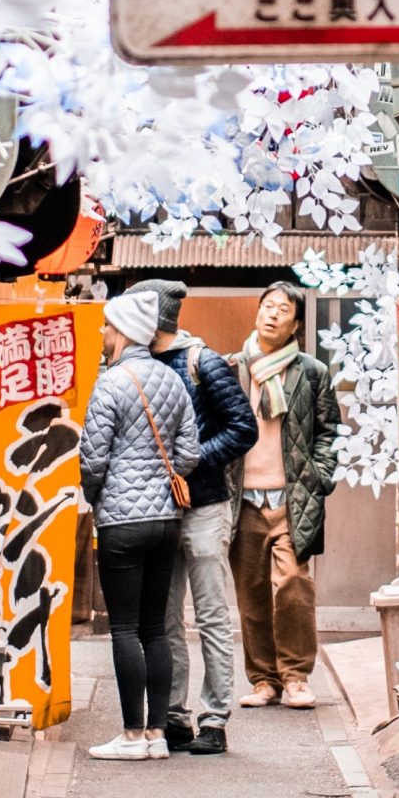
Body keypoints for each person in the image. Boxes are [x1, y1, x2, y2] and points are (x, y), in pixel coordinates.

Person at [77, 287, 199, 762]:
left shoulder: (111, 383)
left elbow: (93, 457)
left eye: (108, 326)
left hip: (122, 523)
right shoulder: (171, 381)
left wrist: (97, 495)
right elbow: (188, 453)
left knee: (125, 628)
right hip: (166, 521)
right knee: (155, 627)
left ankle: (129, 735)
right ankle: (156, 734)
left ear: (123, 330)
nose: (104, 333)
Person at [150, 279, 258, 756]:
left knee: (212, 614)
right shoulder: (136, 364)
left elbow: (243, 427)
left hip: (206, 505)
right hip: (158, 506)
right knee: (167, 617)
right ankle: (174, 716)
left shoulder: (204, 361)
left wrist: (193, 459)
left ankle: (215, 717)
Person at [228, 281, 342, 710]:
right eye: (267, 306)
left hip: (293, 497)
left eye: (283, 309)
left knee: (294, 585)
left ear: (295, 323)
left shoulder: (311, 372)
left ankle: (295, 677)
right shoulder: (233, 368)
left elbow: (329, 431)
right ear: (257, 312)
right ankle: (263, 680)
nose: (272, 314)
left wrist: (320, 475)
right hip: (243, 499)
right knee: (251, 590)